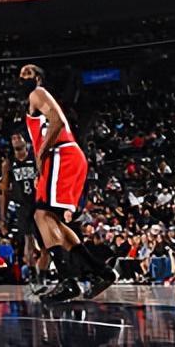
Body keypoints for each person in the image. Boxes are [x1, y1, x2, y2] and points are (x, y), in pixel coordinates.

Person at [19, 63, 116, 303]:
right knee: (52, 220)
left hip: (61, 154)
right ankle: (100, 271)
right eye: (21, 74)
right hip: (63, 157)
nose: (22, 77)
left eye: (28, 72)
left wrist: (40, 154)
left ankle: (67, 280)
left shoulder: (37, 93)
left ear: (39, 78)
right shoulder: (34, 100)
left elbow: (58, 122)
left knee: (42, 215)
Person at [0, 131, 45, 290]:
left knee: (45, 242)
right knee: (28, 240)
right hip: (22, 205)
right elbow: (4, 190)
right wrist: (3, 217)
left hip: (38, 203)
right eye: (13, 137)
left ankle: (43, 275)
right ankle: (32, 275)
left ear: (26, 141)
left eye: (19, 137)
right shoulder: (8, 163)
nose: (16, 140)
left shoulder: (36, 158)